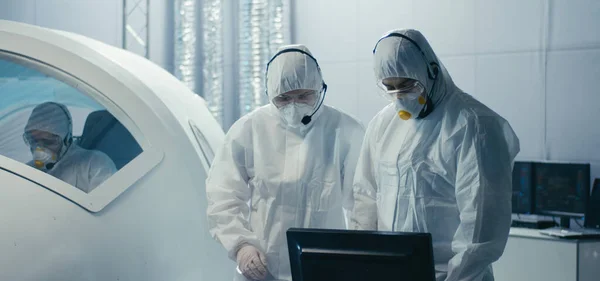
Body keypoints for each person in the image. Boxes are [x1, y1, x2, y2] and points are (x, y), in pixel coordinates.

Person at [350, 29, 520, 281]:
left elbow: (481, 230)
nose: (399, 97)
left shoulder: (474, 127)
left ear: (432, 71)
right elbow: (365, 198)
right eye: (390, 88)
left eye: (407, 85)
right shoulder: (383, 124)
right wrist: (361, 266)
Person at [206, 44, 365, 281]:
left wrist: (357, 254)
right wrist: (241, 246)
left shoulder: (345, 130)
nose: (294, 105)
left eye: (303, 95)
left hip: (327, 267)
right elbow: (223, 195)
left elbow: (364, 201)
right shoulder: (250, 129)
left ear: (320, 87)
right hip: (261, 267)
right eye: (283, 98)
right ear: (269, 94)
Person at [23, 102, 117, 193]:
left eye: (48, 141)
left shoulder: (95, 165)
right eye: (33, 141)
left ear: (66, 139)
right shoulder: (27, 172)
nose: (39, 149)